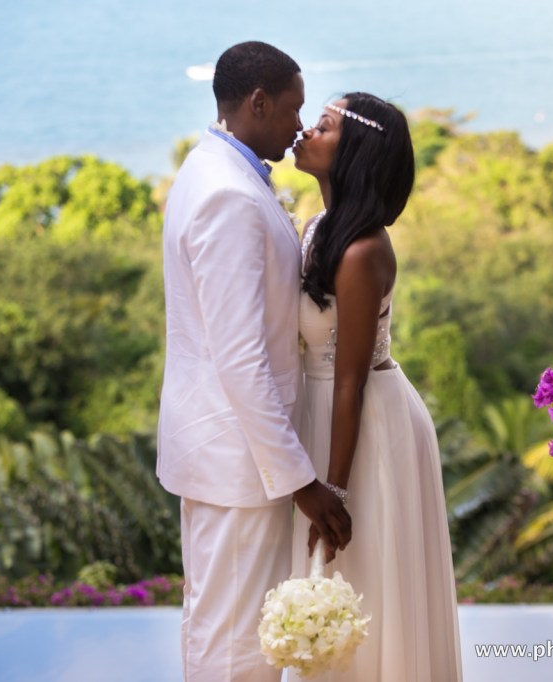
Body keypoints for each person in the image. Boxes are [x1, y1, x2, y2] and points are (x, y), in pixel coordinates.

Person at [156, 41, 352, 682]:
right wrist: (302, 482)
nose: (299, 125)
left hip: (231, 454)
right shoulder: (228, 197)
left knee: (224, 626)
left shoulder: (213, 169)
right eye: (293, 109)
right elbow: (240, 356)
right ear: (257, 102)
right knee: (235, 644)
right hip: (235, 460)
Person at [288, 93, 463, 681]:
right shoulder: (319, 227)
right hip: (327, 412)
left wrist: (333, 487)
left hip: (365, 424)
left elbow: (350, 381)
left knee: (364, 583)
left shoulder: (362, 250)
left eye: (327, 125)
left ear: (355, 153)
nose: (307, 129)